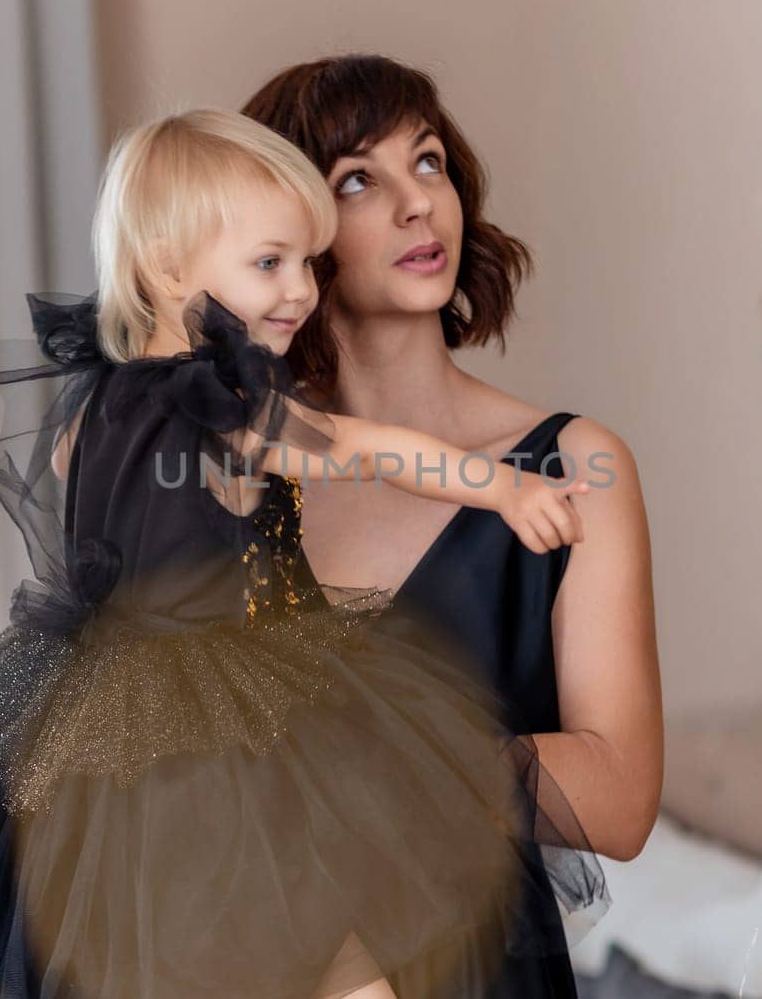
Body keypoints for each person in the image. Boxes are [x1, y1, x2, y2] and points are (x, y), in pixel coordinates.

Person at [0, 108, 609, 998]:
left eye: (307, 262)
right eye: (269, 264)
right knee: (345, 941)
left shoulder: (92, 406)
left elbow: (89, 546)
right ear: (166, 268)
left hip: (90, 734)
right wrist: (502, 486)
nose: (300, 290)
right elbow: (362, 444)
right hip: (209, 717)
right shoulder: (226, 405)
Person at [244, 56, 663, 998]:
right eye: (359, 180)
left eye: (427, 162)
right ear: (290, 233)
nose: (415, 204)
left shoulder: (578, 464)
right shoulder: (248, 469)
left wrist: (355, 751)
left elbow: (622, 799)